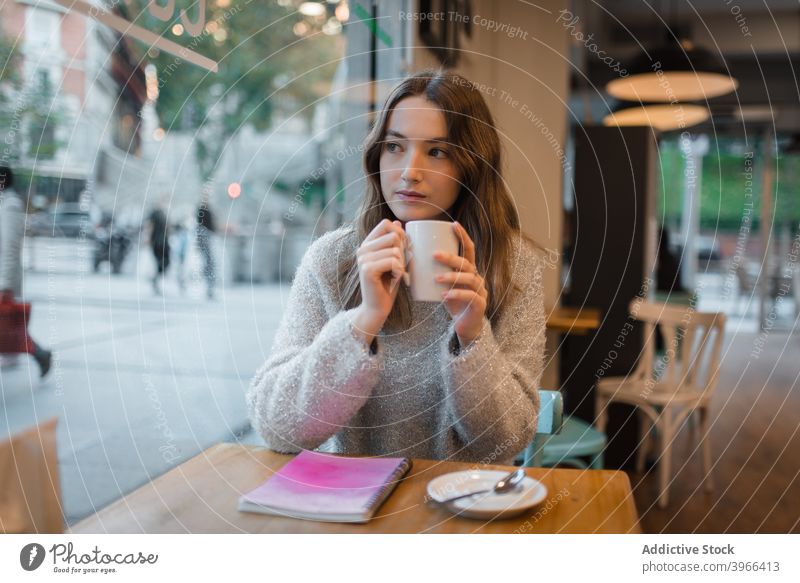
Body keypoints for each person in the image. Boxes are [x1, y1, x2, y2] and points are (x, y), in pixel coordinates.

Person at [247, 70, 547, 464]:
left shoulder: (514, 267)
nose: (409, 171)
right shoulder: (332, 260)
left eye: (437, 151)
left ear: (470, 165)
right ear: (376, 155)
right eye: (395, 146)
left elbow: (507, 442)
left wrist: (472, 336)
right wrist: (364, 321)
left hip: (460, 513)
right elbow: (275, 426)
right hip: (348, 513)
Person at [0, 166, 52, 376]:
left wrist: (5, 285)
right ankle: (40, 354)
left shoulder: (10, 206)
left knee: (10, 330)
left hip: (3, 280)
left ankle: (39, 353)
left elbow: (10, 248)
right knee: (9, 331)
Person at [147, 204, 170, 295]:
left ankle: (155, 278)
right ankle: (155, 280)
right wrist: (148, 239)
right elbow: (150, 226)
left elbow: (167, 227)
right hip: (156, 241)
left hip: (165, 241)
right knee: (159, 262)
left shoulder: (164, 213)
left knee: (166, 262)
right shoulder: (154, 213)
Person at [196, 195, 216, 300]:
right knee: (209, 264)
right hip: (206, 240)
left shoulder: (206, 210)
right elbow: (201, 227)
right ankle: (209, 288)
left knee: (209, 264)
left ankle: (210, 288)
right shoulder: (202, 211)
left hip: (208, 239)